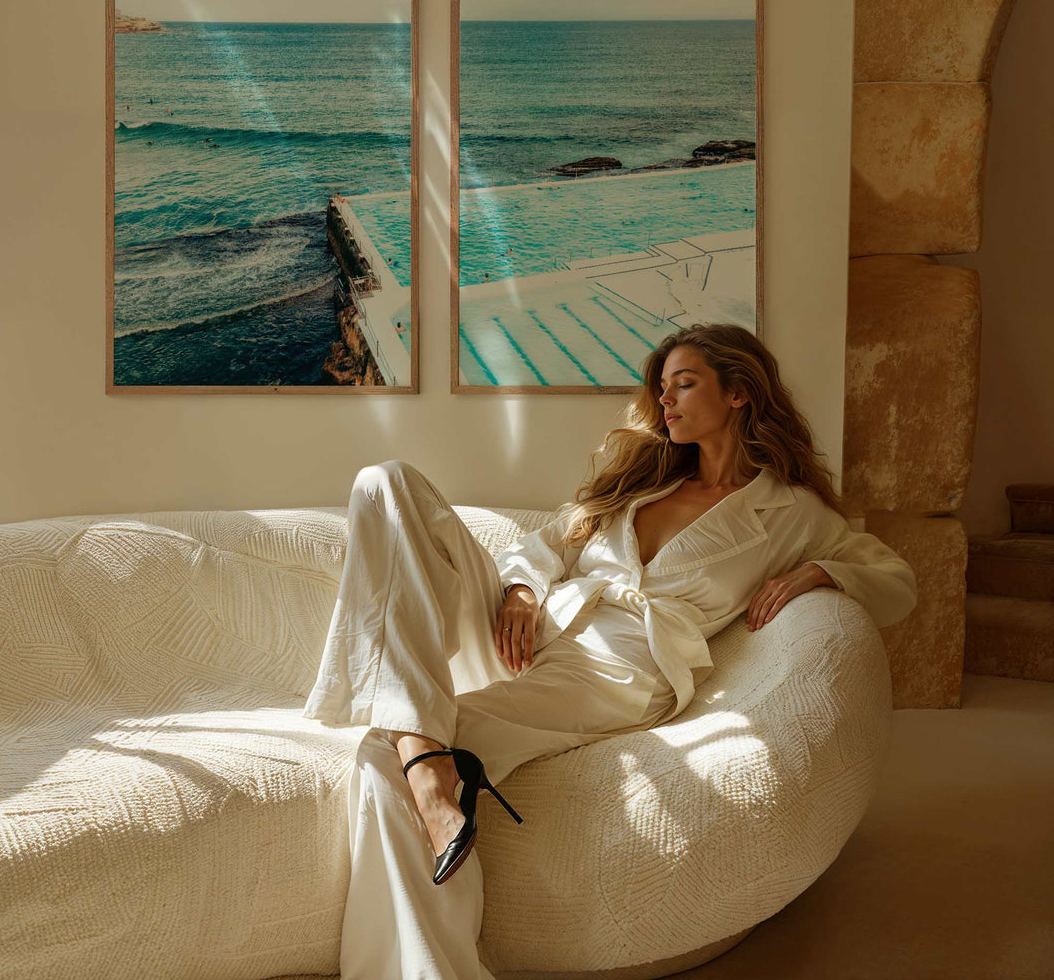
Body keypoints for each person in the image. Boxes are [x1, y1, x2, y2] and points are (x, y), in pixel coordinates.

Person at [302, 322, 918, 979]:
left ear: (738, 393)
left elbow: (894, 580)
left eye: (685, 384)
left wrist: (816, 573)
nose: (668, 401)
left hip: (618, 667)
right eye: (663, 389)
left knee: (384, 749)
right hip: (526, 634)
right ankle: (431, 769)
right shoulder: (640, 487)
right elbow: (544, 547)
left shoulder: (791, 513)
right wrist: (518, 589)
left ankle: (427, 942)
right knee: (385, 483)